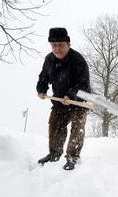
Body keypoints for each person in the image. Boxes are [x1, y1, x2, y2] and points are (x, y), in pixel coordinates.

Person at [36, 27, 91, 170]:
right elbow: (43, 77)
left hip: (78, 102)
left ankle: (72, 157)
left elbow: (84, 84)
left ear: (68, 44)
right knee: (54, 126)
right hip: (59, 101)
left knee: (77, 129)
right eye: (54, 45)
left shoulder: (78, 60)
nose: (57, 48)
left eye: (61, 45)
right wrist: (41, 89)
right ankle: (54, 154)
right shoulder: (49, 60)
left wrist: (71, 95)